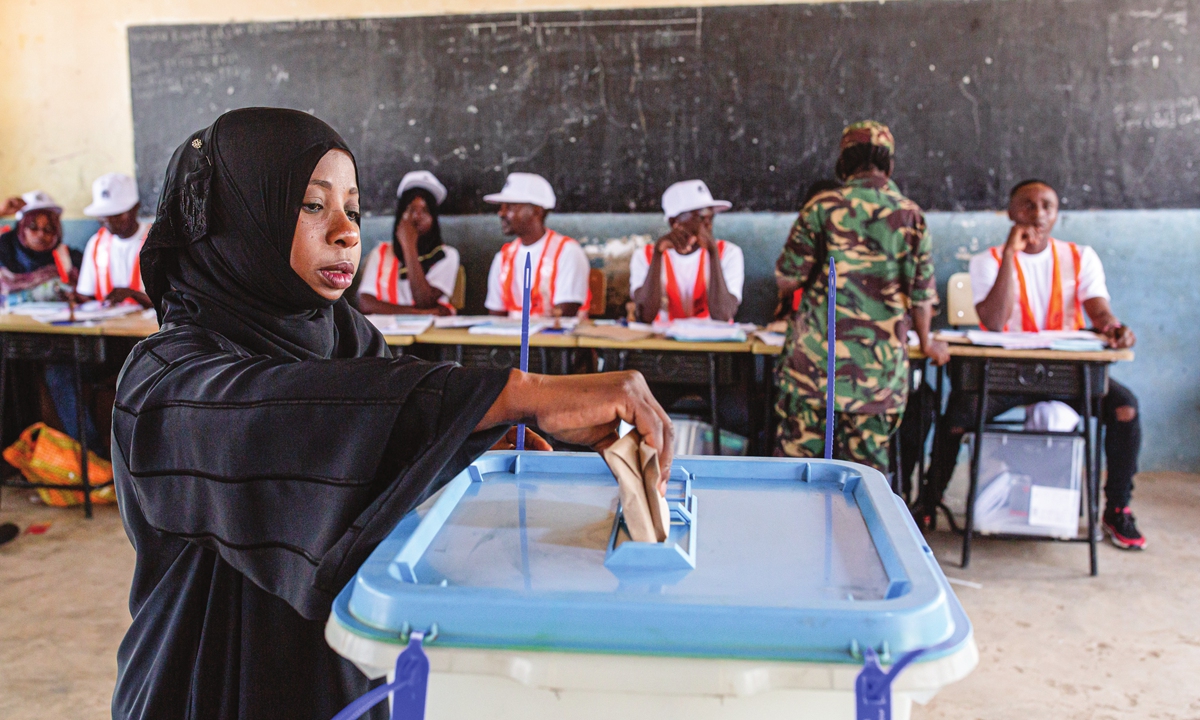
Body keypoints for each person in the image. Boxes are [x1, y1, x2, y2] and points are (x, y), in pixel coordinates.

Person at [111, 108, 673, 720]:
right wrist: (512, 393)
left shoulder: (343, 336)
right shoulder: (163, 377)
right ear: (238, 218)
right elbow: (283, 419)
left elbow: (390, 423)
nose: (346, 233)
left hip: (338, 683)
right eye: (312, 205)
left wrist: (469, 436)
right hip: (206, 691)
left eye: (353, 210)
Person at [918, 179, 1144, 549]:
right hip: (1004, 374)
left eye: (1047, 205)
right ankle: (929, 501)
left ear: (1056, 214)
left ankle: (1117, 508)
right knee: (958, 416)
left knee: (1125, 408)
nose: (1037, 213)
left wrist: (1113, 327)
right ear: (1011, 212)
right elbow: (993, 321)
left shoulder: (1080, 257)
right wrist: (1011, 254)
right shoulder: (988, 261)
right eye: (1027, 204)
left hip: (1067, 375)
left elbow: (1099, 310)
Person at [774, 121, 949, 470]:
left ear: (843, 163)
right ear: (889, 164)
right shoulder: (911, 215)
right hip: (878, 375)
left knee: (795, 473)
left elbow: (788, 280)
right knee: (865, 478)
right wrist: (927, 341)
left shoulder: (821, 207)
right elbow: (921, 296)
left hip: (815, 370)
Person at [0, 192, 103, 449]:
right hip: (13, 342)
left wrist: (80, 297)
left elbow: (93, 296)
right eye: (33, 227)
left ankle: (90, 455)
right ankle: (14, 452)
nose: (40, 235)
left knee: (60, 374)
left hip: (60, 345)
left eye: (49, 229)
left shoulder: (69, 259)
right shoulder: (4, 253)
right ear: (20, 228)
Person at [630, 180, 744, 323]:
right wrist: (658, 255)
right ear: (674, 222)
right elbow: (645, 316)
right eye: (700, 217)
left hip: (711, 337)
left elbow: (723, 315)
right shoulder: (645, 255)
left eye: (711, 216)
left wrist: (712, 253)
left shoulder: (728, 253)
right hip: (661, 336)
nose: (708, 224)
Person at [483, 173, 589, 317]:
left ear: (536, 211)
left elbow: (563, 317)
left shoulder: (567, 252)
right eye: (501, 207)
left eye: (510, 207)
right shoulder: (503, 258)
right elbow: (495, 318)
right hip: (513, 333)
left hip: (552, 332)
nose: (501, 213)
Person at [357, 171, 459, 316]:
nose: (417, 217)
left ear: (434, 219)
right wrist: (422, 313)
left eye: (425, 211)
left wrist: (409, 245)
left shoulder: (446, 255)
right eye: (411, 209)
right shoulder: (381, 253)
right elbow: (365, 303)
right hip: (385, 330)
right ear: (400, 215)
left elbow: (424, 301)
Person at [77, 172, 154, 308]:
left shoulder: (157, 241)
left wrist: (133, 294)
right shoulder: (96, 244)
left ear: (135, 208)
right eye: (103, 214)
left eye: (116, 214)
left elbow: (174, 302)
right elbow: (87, 295)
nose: (108, 220)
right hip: (108, 321)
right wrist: (73, 297)